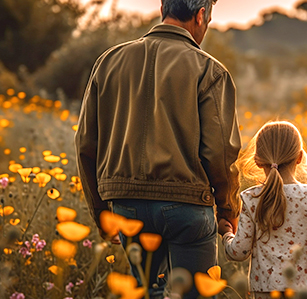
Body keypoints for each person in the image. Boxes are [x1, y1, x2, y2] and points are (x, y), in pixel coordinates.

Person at [74, 0, 241, 298]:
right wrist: (227, 208)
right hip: (187, 205)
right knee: (195, 294)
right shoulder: (210, 70)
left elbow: (86, 143)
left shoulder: (108, 61)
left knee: (149, 292)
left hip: (126, 206)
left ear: (164, 6)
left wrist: (101, 212)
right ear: (201, 15)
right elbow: (220, 154)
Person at [218, 121, 307, 299]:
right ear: (299, 157)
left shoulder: (251, 199)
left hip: (266, 291)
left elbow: (239, 252)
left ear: (258, 161)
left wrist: (227, 233)